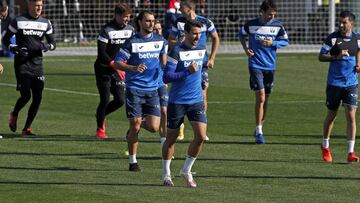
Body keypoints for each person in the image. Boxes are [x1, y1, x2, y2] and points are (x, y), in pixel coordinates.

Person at [113, 11, 168, 172]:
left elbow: (163, 62)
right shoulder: (132, 42)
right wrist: (133, 68)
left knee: (153, 127)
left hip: (153, 90)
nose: (151, 24)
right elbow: (117, 63)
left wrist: (166, 73)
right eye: (147, 21)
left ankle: (133, 128)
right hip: (135, 89)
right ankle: (133, 162)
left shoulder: (161, 41)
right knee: (136, 125)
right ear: (140, 23)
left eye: (152, 21)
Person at [161, 20, 207, 188]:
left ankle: (186, 170)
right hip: (177, 102)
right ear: (186, 33)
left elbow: (203, 68)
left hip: (196, 100)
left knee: (201, 137)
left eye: (199, 33)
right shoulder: (176, 51)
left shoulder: (202, 49)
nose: (197, 37)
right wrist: (187, 71)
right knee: (171, 139)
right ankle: (166, 174)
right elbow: (167, 77)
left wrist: (204, 82)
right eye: (194, 33)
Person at [3, 0, 56, 136]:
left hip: (37, 64)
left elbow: (53, 43)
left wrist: (46, 46)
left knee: (38, 97)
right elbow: (5, 39)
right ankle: (14, 114)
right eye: (36, 5)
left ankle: (27, 128)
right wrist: (15, 48)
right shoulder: (18, 21)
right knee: (26, 95)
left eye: (41, 5)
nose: (39, 8)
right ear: (30, 5)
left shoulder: (46, 23)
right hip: (22, 63)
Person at [168, 0, 219, 140]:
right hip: (182, 61)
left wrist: (212, 58)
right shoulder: (178, 22)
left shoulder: (205, 22)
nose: (179, 11)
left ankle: (201, 126)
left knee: (203, 92)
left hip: (200, 63)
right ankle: (180, 125)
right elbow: (170, 40)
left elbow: (216, 38)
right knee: (181, 89)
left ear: (189, 9)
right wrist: (179, 42)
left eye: (182, 9)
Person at [239, 0, 288, 144]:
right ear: (262, 12)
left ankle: (260, 125)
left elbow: (285, 41)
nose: (271, 17)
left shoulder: (278, 25)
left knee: (266, 99)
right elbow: (241, 34)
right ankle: (259, 131)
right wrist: (246, 49)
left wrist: (273, 43)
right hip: (255, 64)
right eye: (268, 14)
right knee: (260, 97)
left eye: (273, 14)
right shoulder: (251, 24)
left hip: (270, 66)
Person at [319, 10, 360, 163]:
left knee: (351, 116)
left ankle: (351, 152)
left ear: (351, 23)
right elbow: (321, 56)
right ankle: (325, 145)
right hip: (334, 84)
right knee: (332, 115)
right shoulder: (333, 38)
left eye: (344, 22)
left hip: (351, 83)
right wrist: (336, 56)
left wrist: (358, 64)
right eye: (340, 22)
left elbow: (358, 52)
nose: (341, 25)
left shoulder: (357, 38)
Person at [94, 3, 134, 139]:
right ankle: (100, 129)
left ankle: (101, 114)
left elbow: (132, 49)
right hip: (103, 68)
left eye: (128, 17)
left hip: (118, 69)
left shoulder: (130, 30)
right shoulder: (107, 30)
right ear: (116, 15)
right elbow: (101, 52)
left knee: (120, 100)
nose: (126, 20)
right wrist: (114, 65)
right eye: (124, 17)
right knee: (104, 99)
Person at [153, 20, 168, 147]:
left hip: (160, 82)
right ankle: (135, 126)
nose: (158, 31)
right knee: (151, 124)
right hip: (146, 84)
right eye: (155, 29)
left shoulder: (164, 43)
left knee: (164, 110)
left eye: (159, 29)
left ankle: (164, 142)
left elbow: (165, 63)